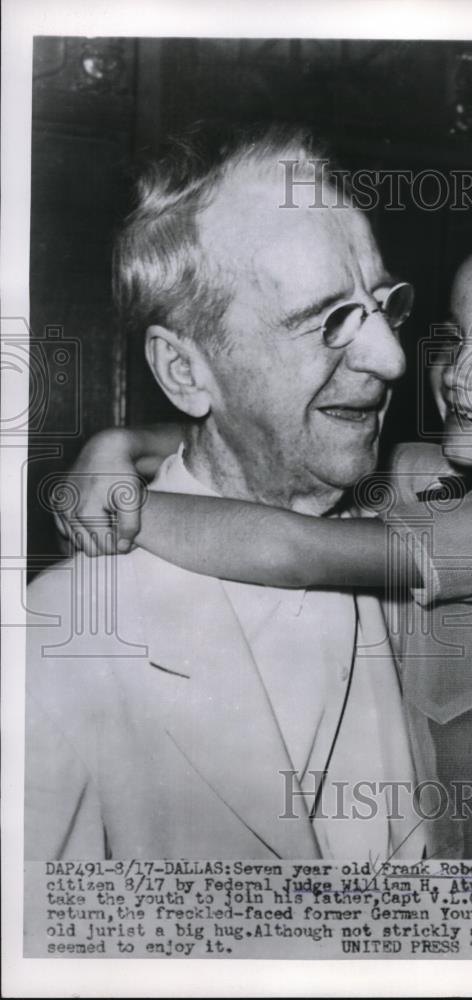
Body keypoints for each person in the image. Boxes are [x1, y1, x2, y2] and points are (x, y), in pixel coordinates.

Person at [62, 213, 472, 859]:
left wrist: (129, 511)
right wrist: (118, 445)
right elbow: (282, 448)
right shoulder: (438, 473)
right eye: (454, 340)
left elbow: (295, 552)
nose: (457, 374)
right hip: (448, 865)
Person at [24, 123, 428, 861]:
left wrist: (118, 443)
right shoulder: (55, 642)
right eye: (329, 321)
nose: (392, 357)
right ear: (184, 372)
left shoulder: (430, 536)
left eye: (383, 303)